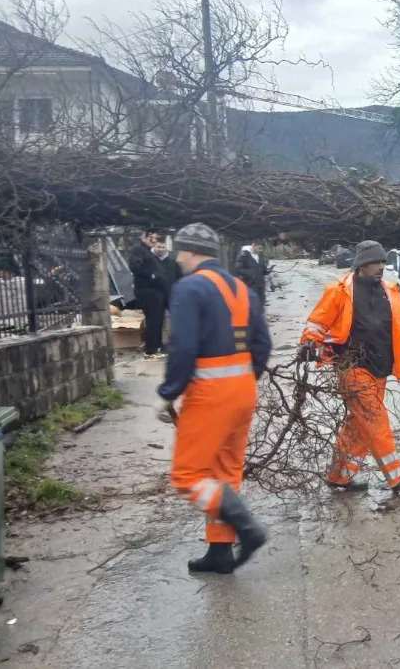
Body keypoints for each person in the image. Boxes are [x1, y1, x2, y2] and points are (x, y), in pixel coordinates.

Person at [157, 222, 272, 575]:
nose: (177, 258)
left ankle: (247, 528)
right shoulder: (241, 289)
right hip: (244, 390)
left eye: (180, 251)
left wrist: (169, 392)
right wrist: (244, 379)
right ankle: (220, 552)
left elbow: (183, 346)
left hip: (210, 392)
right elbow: (262, 344)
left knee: (187, 476)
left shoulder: (189, 288)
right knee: (225, 473)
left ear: (191, 251)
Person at [299, 240, 400, 494]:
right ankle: (396, 476)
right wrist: (309, 343)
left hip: (380, 368)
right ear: (362, 265)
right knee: (374, 418)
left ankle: (339, 476)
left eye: (383, 262)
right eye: (375, 262)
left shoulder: (391, 292)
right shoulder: (340, 291)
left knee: (358, 424)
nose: (381, 267)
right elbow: (317, 323)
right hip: (351, 366)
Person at [128, 229, 170, 358]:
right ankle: (151, 350)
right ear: (143, 237)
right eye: (151, 237)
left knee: (157, 320)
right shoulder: (138, 250)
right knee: (153, 321)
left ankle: (157, 347)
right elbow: (135, 267)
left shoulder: (149, 252)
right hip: (148, 291)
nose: (153, 240)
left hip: (157, 291)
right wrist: (152, 275)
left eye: (155, 238)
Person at [234, 241, 268, 306]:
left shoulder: (259, 255)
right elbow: (238, 269)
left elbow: (261, 268)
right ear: (253, 245)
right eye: (259, 248)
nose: (260, 250)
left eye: (261, 249)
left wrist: (265, 271)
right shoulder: (244, 255)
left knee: (260, 305)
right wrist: (251, 274)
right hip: (250, 285)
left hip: (260, 285)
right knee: (252, 305)